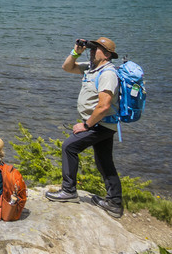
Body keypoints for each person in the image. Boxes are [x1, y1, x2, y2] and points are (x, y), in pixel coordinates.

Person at [46, 36, 124, 218]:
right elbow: (67, 67)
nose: (91, 51)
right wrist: (76, 52)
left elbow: (104, 106)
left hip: (100, 124)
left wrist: (86, 125)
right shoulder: (91, 68)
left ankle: (69, 191)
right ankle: (114, 203)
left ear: (107, 55)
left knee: (69, 147)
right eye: (91, 48)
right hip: (101, 124)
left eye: (95, 49)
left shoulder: (108, 74)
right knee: (104, 162)